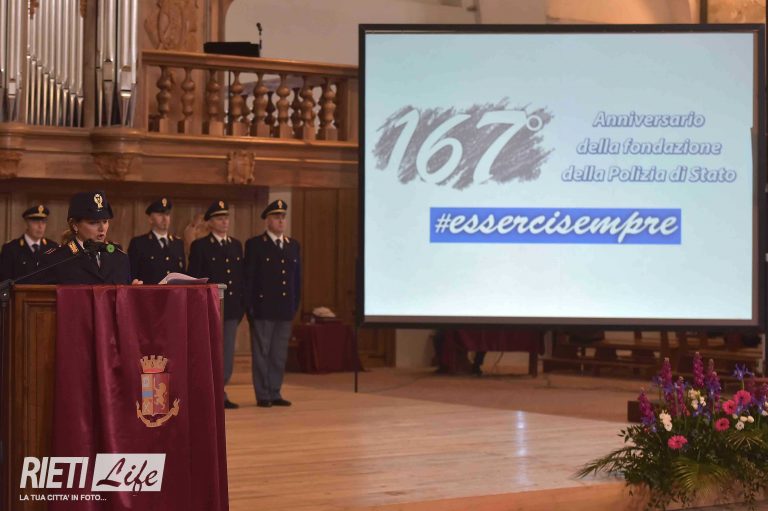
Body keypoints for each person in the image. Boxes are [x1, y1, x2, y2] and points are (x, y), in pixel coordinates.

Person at [188, 200, 245, 409]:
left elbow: (240, 278)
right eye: (219, 218)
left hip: (231, 309)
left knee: (227, 354)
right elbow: (195, 279)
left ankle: (221, 392)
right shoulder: (200, 246)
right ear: (210, 222)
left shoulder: (235, 245)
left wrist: (241, 306)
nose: (224, 222)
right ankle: (207, 394)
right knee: (208, 352)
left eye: (226, 218)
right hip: (209, 309)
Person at [244, 199, 301, 408]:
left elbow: (297, 279)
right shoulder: (256, 245)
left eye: (283, 217)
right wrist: (249, 307)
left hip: (284, 309)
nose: (281, 221)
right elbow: (249, 278)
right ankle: (263, 394)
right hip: (263, 308)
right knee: (262, 354)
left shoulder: (292, 245)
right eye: (276, 217)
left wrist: (294, 305)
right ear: (267, 220)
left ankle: (275, 391)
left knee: (278, 355)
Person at [35, 191, 136, 285]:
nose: (102, 228)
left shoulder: (120, 258)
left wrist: (132, 292)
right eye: (93, 222)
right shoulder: (55, 260)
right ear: (75, 225)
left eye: (105, 221)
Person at [128, 197, 186, 284]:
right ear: (150, 219)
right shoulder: (139, 243)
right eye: (160, 215)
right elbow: (132, 275)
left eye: (167, 214)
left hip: (174, 292)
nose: (165, 218)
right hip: (149, 292)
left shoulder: (178, 243)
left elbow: (183, 275)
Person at [0, 205, 58, 281]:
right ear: (26, 223)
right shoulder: (11, 249)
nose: (40, 226)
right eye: (36, 222)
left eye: (43, 222)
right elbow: (5, 281)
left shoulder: (52, 247)